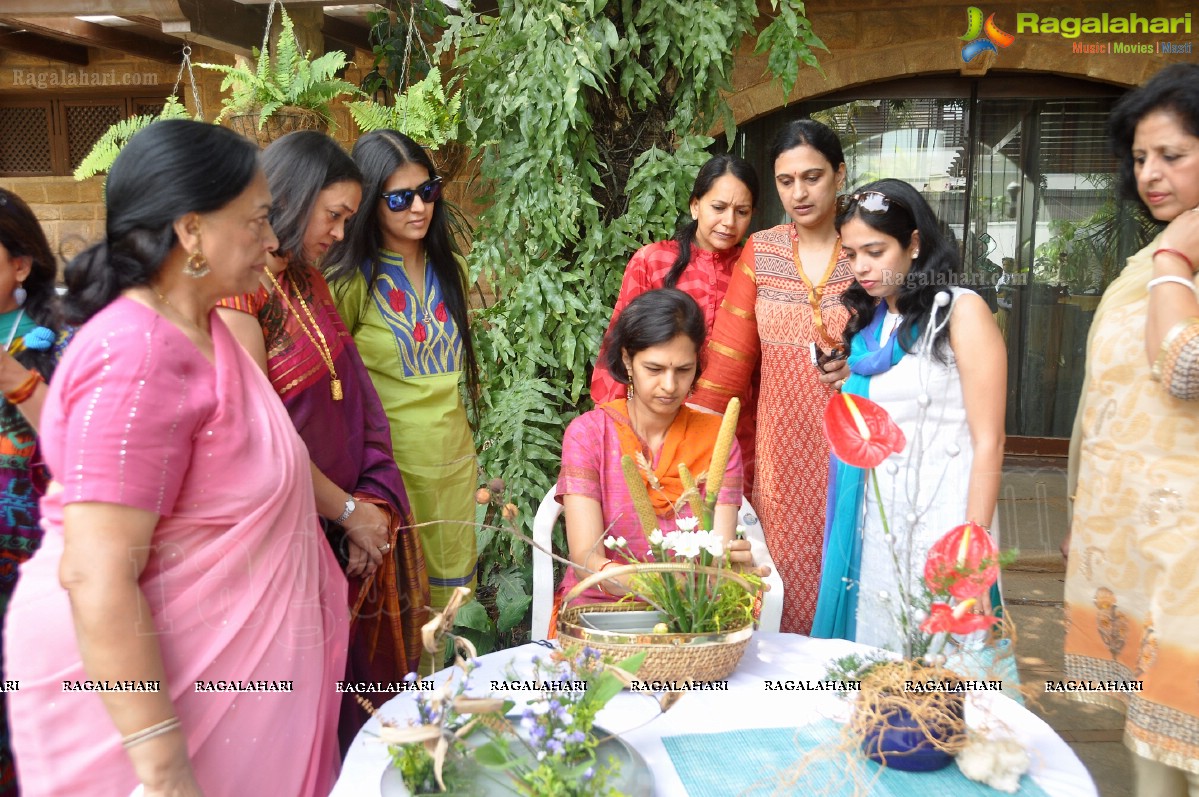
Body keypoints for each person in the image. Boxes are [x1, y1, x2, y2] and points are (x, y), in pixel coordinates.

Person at [5, 120, 346, 797]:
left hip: (237, 695)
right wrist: (162, 767)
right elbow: (97, 572)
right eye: (257, 220)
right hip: (159, 723)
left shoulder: (210, 331)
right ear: (191, 232)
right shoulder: (137, 355)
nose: (274, 241)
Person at [216, 131, 429, 750]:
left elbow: (354, 404)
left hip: (344, 523)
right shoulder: (240, 294)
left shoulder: (307, 281)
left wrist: (367, 506)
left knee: (357, 713)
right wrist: (345, 511)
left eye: (346, 218)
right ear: (291, 197)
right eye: (333, 215)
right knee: (308, 720)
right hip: (291, 538)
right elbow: (261, 441)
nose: (339, 233)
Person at [1063, 63, 1199, 797]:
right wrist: (1083, 507)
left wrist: (1178, 255)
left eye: (1172, 155)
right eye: (1140, 157)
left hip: (1191, 553)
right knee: (1150, 753)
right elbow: (1103, 399)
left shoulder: (1172, 255)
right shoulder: (1147, 258)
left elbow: (1185, 367)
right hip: (1139, 546)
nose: (1149, 173)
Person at [809, 179, 1006, 656]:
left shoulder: (961, 312)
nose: (862, 268)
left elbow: (990, 441)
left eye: (875, 251)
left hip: (944, 518)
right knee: (880, 654)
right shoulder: (871, 327)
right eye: (852, 254)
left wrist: (972, 549)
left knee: (945, 664)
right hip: (878, 522)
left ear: (914, 243)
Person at [690, 119, 851, 635]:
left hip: (856, 452)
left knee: (852, 571)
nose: (799, 193)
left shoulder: (867, 248)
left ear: (840, 176)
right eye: (786, 181)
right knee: (784, 583)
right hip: (782, 456)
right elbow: (727, 368)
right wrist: (691, 451)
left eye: (813, 177)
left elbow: (903, 344)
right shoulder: (762, 250)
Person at [326, 129, 479, 672]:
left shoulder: (452, 273)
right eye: (399, 197)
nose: (419, 207)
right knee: (399, 610)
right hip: (390, 472)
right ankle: (398, 727)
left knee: (451, 607)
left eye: (428, 191)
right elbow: (333, 387)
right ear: (371, 203)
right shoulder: (350, 283)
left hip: (453, 464)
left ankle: (446, 716)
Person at [559, 289, 743, 610]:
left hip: (693, 613)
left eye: (683, 370)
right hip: (602, 608)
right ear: (628, 360)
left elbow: (718, 556)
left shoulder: (718, 439)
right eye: (655, 369)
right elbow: (586, 559)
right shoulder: (588, 435)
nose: (670, 386)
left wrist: (735, 568)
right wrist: (668, 585)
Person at [590, 155, 760, 483]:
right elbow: (616, 350)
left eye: (742, 212)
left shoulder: (754, 270)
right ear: (695, 205)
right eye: (718, 207)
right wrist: (616, 432)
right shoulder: (654, 261)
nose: (729, 222)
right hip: (654, 427)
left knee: (722, 527)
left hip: (735, 431)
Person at [0, 188, 67, 797]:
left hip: (26, 563)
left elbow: (77, 445)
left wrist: (12, 374)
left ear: (20, 265)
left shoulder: (54, 339)